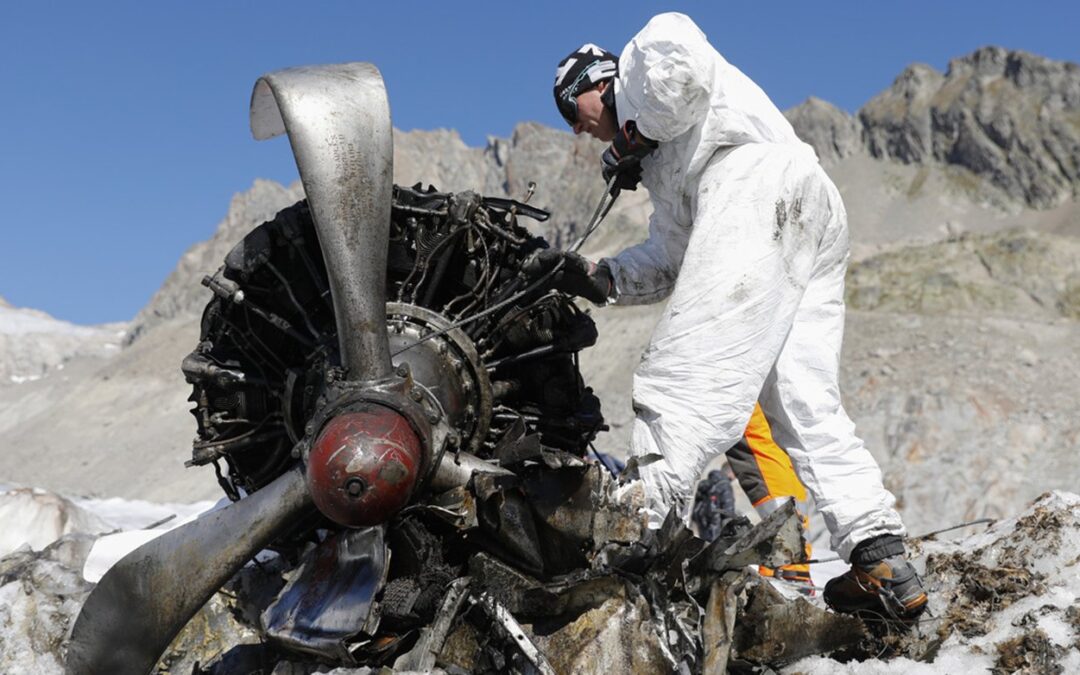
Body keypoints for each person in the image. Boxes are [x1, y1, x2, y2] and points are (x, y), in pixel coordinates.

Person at [529, 13, 927, 619]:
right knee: (800, 402)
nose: (580, 131)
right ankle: (882, 558)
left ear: (591, 81)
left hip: (756, 185)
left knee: (679, 379)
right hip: (805, 209)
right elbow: (671, 254)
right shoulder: (665, 164)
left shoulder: (640, 63)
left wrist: (635, 128)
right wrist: (600, 277)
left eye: (573, 111)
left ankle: (633, 547)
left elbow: (682, 53)